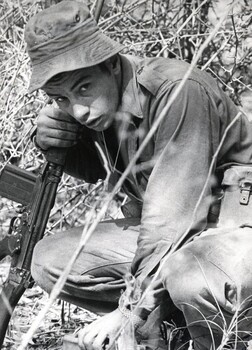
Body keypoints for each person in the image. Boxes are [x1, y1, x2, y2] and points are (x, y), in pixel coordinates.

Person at [24, 1, 252, 349]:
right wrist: (54, 138)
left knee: (191, 278)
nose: (79, 110)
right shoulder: (99, 108)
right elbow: (97, 167)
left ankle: (219, 336)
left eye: (83, 87)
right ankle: (174, 325)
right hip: (184, 234)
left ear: (113, 66)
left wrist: (129, 311)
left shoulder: (177, 90)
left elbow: (170, 220)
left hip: (234, 231)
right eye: (61, 98)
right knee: (50, 260)